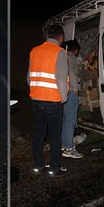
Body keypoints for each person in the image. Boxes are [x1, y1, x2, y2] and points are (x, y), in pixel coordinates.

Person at [27, 24, 69, 178]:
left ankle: (38, 165)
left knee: (39, 133)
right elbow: (61, 80)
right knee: (55, 136)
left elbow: (28, 78)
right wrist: (63, 98)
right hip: (53, 101)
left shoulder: (34, 51)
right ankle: (54, 168)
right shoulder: (60, 52)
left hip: (36, 100)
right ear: (61, 37)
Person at [61, 39, 83, 159]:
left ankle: (63, 144)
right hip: (70, 91)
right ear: (76, 50)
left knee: (63, 119)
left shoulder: (60, 56)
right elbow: (72, 73)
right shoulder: (71, 57)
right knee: (70, 119)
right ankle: (69, 148)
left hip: (61, 91)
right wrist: (75, 89)